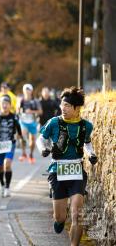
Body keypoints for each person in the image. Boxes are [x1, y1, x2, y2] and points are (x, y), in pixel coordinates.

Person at [36, 87, 97, 246]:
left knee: (77, 214)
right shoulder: (54, 122)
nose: (63, 108)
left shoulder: (85, 126)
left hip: (77, 171)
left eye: (68, 106)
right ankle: (59, 221)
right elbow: (41, 139)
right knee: (60, 218)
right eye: (62, 105)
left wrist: (91, 154)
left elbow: (87, 143)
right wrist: (43, 149)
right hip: (57, 170)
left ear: (77, 108)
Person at [0, 95, 26, 197]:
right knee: (0, 168)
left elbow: (19, 130)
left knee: (7, 164)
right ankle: (3, 185)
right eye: (3, 103)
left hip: (9, 144)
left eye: (7, 104)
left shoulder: (14, 116)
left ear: (10, 105)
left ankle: (8, 187)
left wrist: (22, 141)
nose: (4, 105)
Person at [17, 84, 42, 164]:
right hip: (23, 121)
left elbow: (40, 112)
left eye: (28, 90)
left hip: (33, 122)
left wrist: (31, 111)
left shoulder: (35, 101)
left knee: (32, 141)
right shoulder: (21, 100)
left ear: (31, 91)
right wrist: (19, 110)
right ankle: (24, 153)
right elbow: (17, 111)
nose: (27, 92)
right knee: (22, 135)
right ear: (23, 91)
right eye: (25, 90)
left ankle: (31, 155)